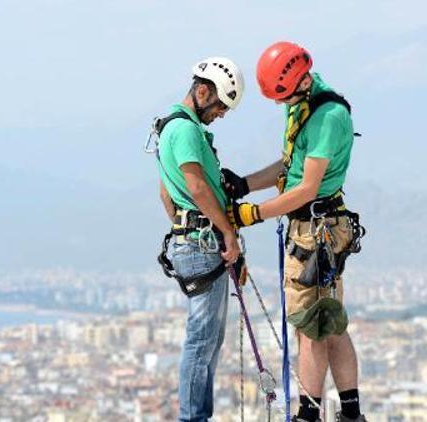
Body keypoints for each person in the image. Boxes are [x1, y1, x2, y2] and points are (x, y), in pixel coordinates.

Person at [223, 41, 367, 422]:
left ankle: (309, 412)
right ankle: (350, 413)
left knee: (311, 326)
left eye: (281, 96)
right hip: (317, 227)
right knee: (330, 322)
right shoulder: (307, 107)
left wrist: (252, 214)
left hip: (315, 230)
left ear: (298, 82)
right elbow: (291, 167)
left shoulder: (326, 117)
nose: (278, 104)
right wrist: (245, 184)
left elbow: (306, 187)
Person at [153, 57, 245, 422]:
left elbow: (166, 194)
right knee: (201, 340)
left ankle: (198, 416)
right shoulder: (186, 131)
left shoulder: (170, 129)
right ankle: (193, 418)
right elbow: (195, 185)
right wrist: (223, 231)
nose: (221, 114)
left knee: (208, 340)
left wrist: (184, 226)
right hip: (203, 241)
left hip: (193, 237)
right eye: (220, 106)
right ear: (202, 91)